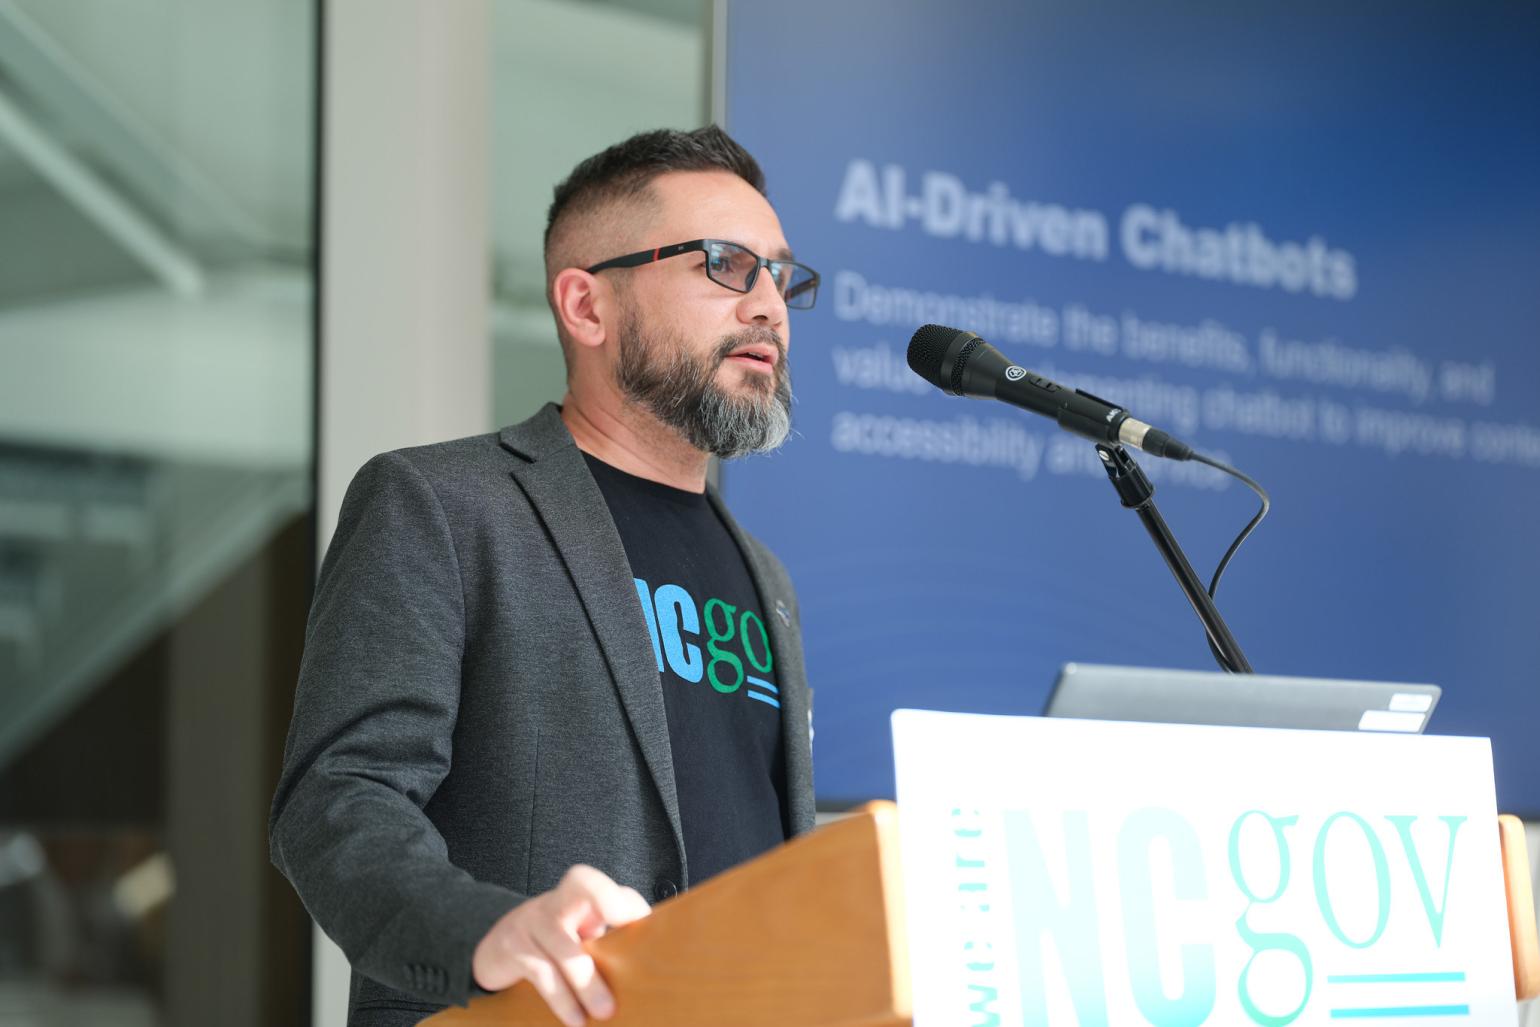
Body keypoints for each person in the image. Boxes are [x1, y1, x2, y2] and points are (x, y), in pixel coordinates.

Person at [268, 125, 820, 1027]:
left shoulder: (769, 580)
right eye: (725, 264)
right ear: (586, 305)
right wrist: (487, 933)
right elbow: (338, 799)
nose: (769, 306)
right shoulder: (442, 505)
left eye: (781, 274)